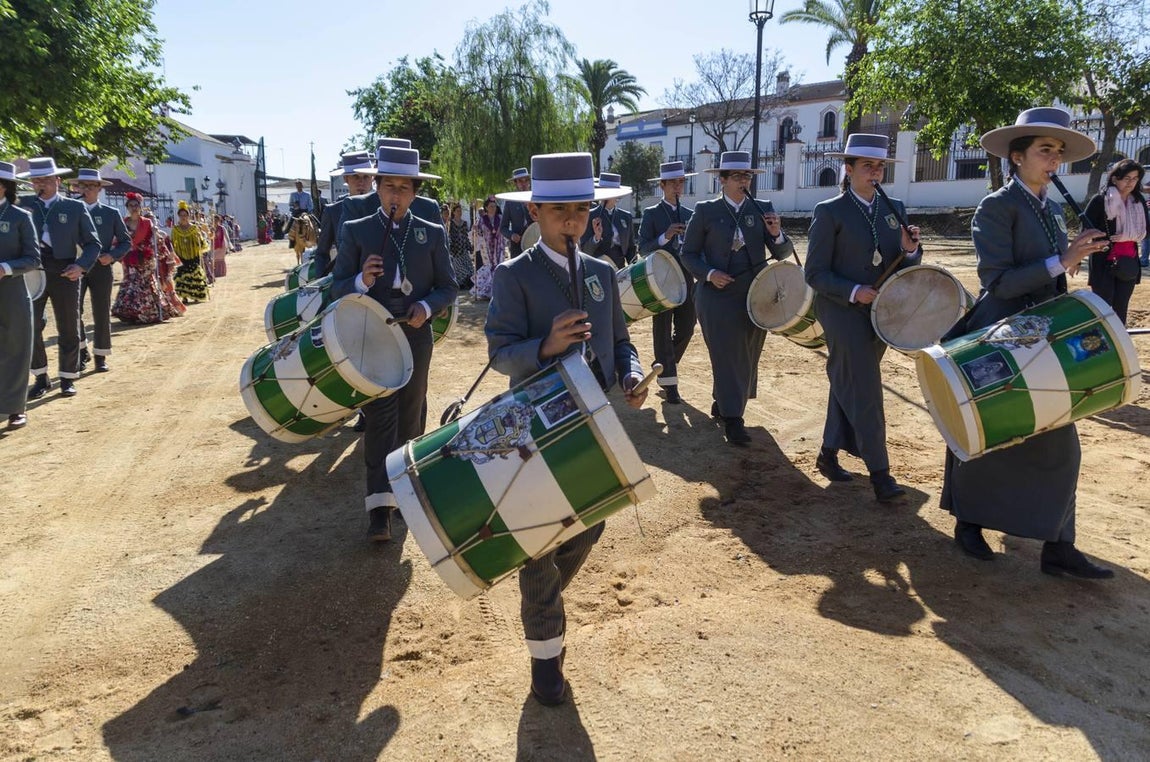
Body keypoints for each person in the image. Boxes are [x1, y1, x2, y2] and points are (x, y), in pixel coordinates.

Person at [486, 151, 647, 707]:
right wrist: (546, 347)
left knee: (588, 526)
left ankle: (541, 597)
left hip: (593, 425)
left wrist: (630, 374)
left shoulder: (604, 273)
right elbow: (500, 354)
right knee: (538, 545)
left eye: (581, 208)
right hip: (533, 426)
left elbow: (621, 342)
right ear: (535, 210)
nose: (572, 220)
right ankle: (546, 656)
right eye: (559, 210)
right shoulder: (514, 276)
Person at [944, 107, 1114, 579]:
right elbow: (997, 282)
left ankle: (1059, 545)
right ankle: (969, 520)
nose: (1054, 159)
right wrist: (1063, 260)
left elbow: (1053, 269)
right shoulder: (995, 207)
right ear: (1017, 156)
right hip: (1002, 335)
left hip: (1044, 332)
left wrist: (1074, 259)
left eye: (1059, 152)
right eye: (1045, 150)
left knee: (1060, 440)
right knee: (991, 431)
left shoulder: (1053, 207)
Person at [330, 145, 457, 541]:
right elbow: (334, 288)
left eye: (405, 187)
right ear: (378, 188)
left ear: (416, 192)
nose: (396, 195)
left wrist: (425, 304)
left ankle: (409, 494)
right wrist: (360, 282)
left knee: (412, 413)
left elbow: (449, 287)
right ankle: (379, 510)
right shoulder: (357, 229)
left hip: (416, 335)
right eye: (389, 186)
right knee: (380, 416)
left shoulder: (431, 231)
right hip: (372, 335)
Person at [805, 134, 922, 502]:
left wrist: (910, 250)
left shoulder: (895, 207)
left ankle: (827, 453)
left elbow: (906, 263)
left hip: (880, 312)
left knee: (851, 379)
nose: (875, 172)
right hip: (841, 309)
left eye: (880, 166)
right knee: (867, 388)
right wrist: (855, 291)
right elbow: (815, 273)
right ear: (849, 169)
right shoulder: (830, 211)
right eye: (867, 166)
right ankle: (880, 473)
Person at [680, 150, 795, 446]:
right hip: (716, 295)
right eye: (737, 177)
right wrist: (709, 273)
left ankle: (724, 400)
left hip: (756, 293)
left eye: (747, 176)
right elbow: (688, 254)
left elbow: (782, 253)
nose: (744, 181)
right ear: (722, 180)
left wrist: (778, 233)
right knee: (727, 352)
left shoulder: (762, 208)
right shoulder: (705, 211)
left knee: (747, 353)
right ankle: (734, 419)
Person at [19, 157, 101, 399]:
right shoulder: (23, 205)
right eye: (35, 180)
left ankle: (67, 377)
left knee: (68, 325)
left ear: (57, 180)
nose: (39, 184)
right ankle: (41, 376)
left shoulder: (75, 207)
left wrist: (81, 266)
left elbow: (93, 244)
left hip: (65, 270)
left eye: (44, 179)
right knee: (31, 324)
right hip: (32, 271)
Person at [638, 161, 697, 404]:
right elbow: (643, 248)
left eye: (681, 182)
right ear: (662, 185)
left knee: (687, 327)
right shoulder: (651, 214)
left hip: (685, 278)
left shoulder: (690, 214)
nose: (677, 186)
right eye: (673, 182)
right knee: (662, 332)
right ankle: (670, 385)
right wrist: (665, 236)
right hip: (660, 281)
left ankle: (662, 365)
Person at [71, 169, 130, 373]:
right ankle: (80, 350)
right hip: (76, 267)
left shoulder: (110, 213)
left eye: (90, 186)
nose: (86, 190)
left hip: (101, 267)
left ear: (99, 188)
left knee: (101, 312)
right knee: (72, 312)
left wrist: (112, 256)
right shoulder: (71, 211)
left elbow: (125, 242)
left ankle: (101, 355)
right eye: (82, 186)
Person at [0, 161, 40, 429]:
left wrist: (5, 268)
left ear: (3, 187)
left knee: (16, 347)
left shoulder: (20, 217)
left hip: (12, 291)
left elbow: (33, 258)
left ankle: (15, 408)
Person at [1084, 159, 1147, 325]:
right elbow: (1085, 228)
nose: (1131, 183)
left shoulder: (1139, 203)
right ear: (1114, 179)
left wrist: (1129, 235)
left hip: (1128, 262)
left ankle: (1120, 345)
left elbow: (1145, 232)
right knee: (1102, 307)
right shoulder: (1100, 201)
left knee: (1121, 307)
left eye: (1135, 179)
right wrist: (1076, 259)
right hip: (1103, 261)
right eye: (1127, 178)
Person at [313, 151, 375, 277]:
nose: (361, 182)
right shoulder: (333, 211)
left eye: (366, 177)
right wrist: (321, 284)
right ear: (346, 178)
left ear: (372, 178)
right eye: (356, 177)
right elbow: (321, 254)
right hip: (347, 282)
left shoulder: (384, 207)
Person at [111, 193, 170, 324]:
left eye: (136, 205)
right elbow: (117, 240)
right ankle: (132, 313)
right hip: (129, 258)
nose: (134, 208)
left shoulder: (147, 222)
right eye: (131, 205)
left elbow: (154, 240)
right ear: (127, 207)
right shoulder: (123, 223)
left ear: (140, 207)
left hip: (145, 258)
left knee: (144, 283)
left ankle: (148, 311)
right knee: (131, 282)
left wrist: (154, 235)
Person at [581, 173, 636, 268]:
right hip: (598, 269)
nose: (606, 195)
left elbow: (631, 248)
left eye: (610, 192)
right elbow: (585, 252)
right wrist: (596, 237)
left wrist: (634, 268)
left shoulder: (626, 217)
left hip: (620, 270)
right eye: (604, 191)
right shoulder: (589, 216)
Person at [170, 202, 211, 302]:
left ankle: (197, 295)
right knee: (182, 275)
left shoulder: (194, 228)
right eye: (181, 215)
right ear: (178, 216)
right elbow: (172, 242)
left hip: (193, 254)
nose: (183, 217)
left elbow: (201, 240)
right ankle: (184, 296)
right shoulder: (175, 229)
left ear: (188, 216)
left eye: (185, 215)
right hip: (181, 255)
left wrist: (200, 242)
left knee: (194, 274)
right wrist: (173, 253)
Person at [472, 195, 504, 300]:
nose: (493, 208)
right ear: (486, 207)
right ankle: (487, 292)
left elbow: (503, 230)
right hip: (486, 247)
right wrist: (476, 229)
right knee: (489, 267)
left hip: (498, 246)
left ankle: (496, 291)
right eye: (491, 206)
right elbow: (479, 233)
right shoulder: (482, 220)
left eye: (494, 206)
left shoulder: (500, 218)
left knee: (498, 267)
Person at [501, 166, 533, 258]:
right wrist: (512, 235)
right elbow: (503, 228)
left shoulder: (536, 198)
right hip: (517, 245)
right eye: (520, 181)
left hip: (535, 243)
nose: (524, 184)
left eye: (526, 180)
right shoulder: (510, 201)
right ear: (515, 183)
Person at [448, 203, 474, 290]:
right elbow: (448, 236)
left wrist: (470, 247)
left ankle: (468, 283)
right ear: (454, 212)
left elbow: (465, 236)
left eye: (460, 211)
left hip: (463, 249)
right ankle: (461, 284)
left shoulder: (464, 223)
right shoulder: (450, 224)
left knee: (470, 268)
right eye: (458, 211)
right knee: (460, 269)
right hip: (455, 250)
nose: (460, 213)